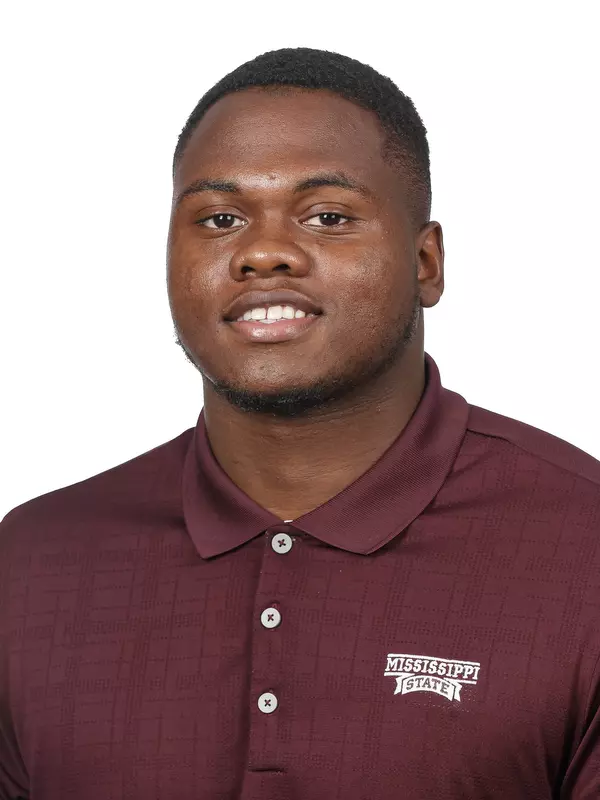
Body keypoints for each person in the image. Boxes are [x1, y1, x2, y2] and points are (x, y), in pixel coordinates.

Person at [1, 46, 599, 800]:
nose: (264, 252)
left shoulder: (584, 548)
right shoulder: (31, 565)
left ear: (426, 262)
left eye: (327, 216)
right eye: (220, 218)